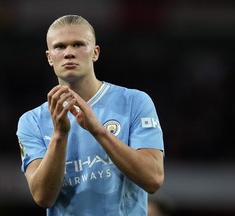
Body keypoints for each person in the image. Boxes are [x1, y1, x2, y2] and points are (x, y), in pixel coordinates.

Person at [16, 14, 165, 216]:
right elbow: (43, 197)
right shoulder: (31, 121)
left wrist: (98, 131)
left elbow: (153, 178)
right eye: (60, 47)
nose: (69, 53)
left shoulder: (134, 102)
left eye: (78, 45)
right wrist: (59, 135)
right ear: (49, 57)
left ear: (95, 53)